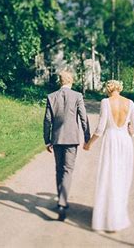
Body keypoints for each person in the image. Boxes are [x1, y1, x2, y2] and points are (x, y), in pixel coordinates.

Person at [84, 80, 134, 232]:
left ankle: (107, 218)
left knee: (109, 176)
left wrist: (89, 143)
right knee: (122, 178)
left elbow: (100, 128)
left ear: (109, 89)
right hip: (125, 142)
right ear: (119, 88)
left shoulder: (105, 102)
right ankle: (117, 217)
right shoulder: (131, 103)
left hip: (111, 141)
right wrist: (129, 130)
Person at [43, 70, 90, 221]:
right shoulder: (77, 96)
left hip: (57, 139)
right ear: (71, 81)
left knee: (59, 169)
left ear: (60, 81)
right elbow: (83, 117)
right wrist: (87, 137)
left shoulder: (52, 97)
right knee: (68, 170)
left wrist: (47, 139)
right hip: (72, 139)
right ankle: (63, 203)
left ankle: (60, 201)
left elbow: (47, 120)